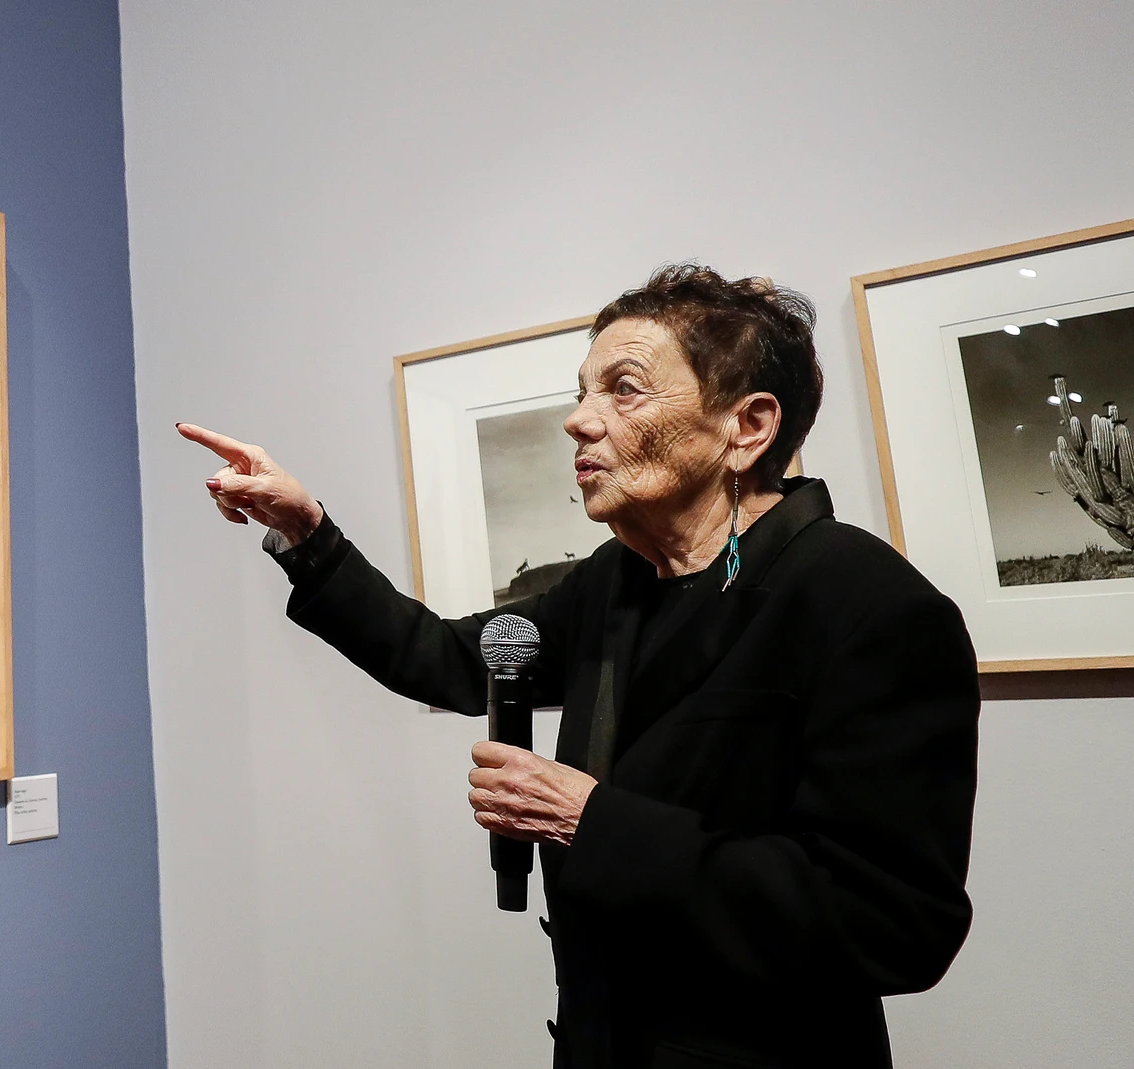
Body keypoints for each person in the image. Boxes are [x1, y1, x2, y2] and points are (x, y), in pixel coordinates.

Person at [179, 265, 979, 1069]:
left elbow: (893, 923)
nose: (577, 422)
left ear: (748, 426)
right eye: (582, 391)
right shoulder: (615, 580)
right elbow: (452, 658)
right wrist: (307, 534)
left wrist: (591, 821)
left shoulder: (869, 606)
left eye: (622, 390)